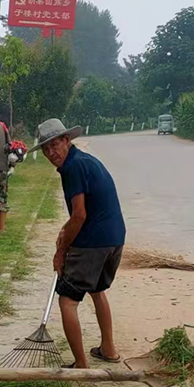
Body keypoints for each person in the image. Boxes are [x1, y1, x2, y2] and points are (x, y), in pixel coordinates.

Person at [31, 118, 126, 369]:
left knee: (67, 301)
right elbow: (82, 213)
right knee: (96, 290)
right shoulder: (85, 161)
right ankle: (108, 349)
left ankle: (81, 365)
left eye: (55, 145)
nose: (51, 153)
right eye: (46, 148)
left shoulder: (73, 168)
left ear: (66, 140)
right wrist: (64, 234)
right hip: (114, 239)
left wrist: (61, 251)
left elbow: (79, 215)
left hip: (94, 241)